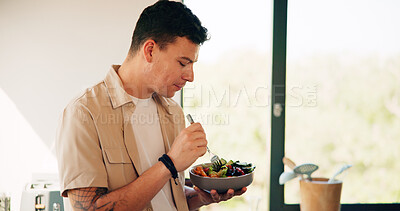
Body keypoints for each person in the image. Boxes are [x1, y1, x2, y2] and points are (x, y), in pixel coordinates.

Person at [55, 1, 246, 210]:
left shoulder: (173, 112)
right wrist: (169, 164)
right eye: (183, 63)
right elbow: (90, 208)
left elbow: (164, 196)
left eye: (192, 64)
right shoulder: (83, 113)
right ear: (150, 50)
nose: (190, 76)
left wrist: (200, 197)